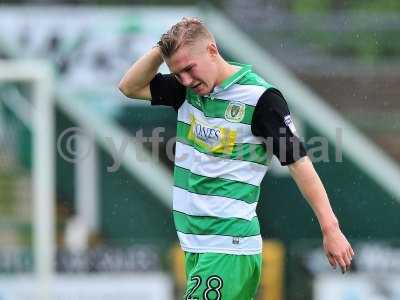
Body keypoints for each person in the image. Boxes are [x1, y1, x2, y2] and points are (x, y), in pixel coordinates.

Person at [119, 17, 354, 300]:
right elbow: (129, 87)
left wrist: (331, 229)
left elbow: (299, 163)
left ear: (212, 50)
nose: (185, 80)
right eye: (177, 73)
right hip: (197, 246)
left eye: (189, 69)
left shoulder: (260, 99)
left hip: (228, 247)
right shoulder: (187, 91)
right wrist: (162, 47)